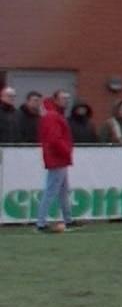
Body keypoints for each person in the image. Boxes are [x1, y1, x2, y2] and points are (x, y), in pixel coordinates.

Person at [34, 91, 76, 233]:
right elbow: (54, 139)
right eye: (64, 98)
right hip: (57, 158)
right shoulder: (53, 116)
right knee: (52, 191)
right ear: (56, 99)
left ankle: (68, 219)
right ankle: (41, 223)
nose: (66, 101)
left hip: (57, 157)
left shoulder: (52, 115)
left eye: (67, 98)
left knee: (61, 191)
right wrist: (66, 151)